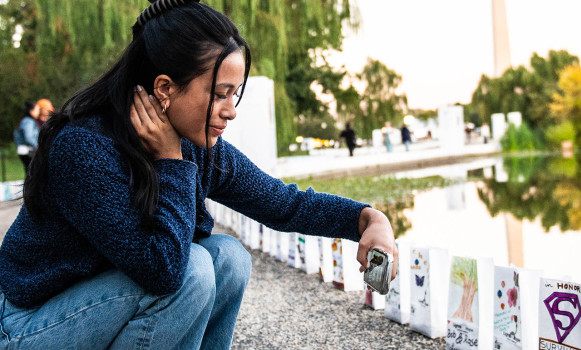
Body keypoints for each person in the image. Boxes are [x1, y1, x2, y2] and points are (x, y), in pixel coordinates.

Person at [0, 1, 397, 349]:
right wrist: (171, 163)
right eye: (220, 93)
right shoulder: (86, 149)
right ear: (165, 88)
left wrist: (368, 219)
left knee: (229, 258)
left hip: (102, 305)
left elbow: (283, 204)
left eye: (234, 94)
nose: (231, 110)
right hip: (30, 325)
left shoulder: (195, 145)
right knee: (191, 270)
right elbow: (163, 270)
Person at [13, 101, 41, 173]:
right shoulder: (28, 122)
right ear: (31, 111)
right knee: (32, 173)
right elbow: (29, 137)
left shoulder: (26, 121)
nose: (38, 112)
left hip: (26, 150)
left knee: (29, 173)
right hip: (28, 151)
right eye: (37, 110)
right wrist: (38, 146)